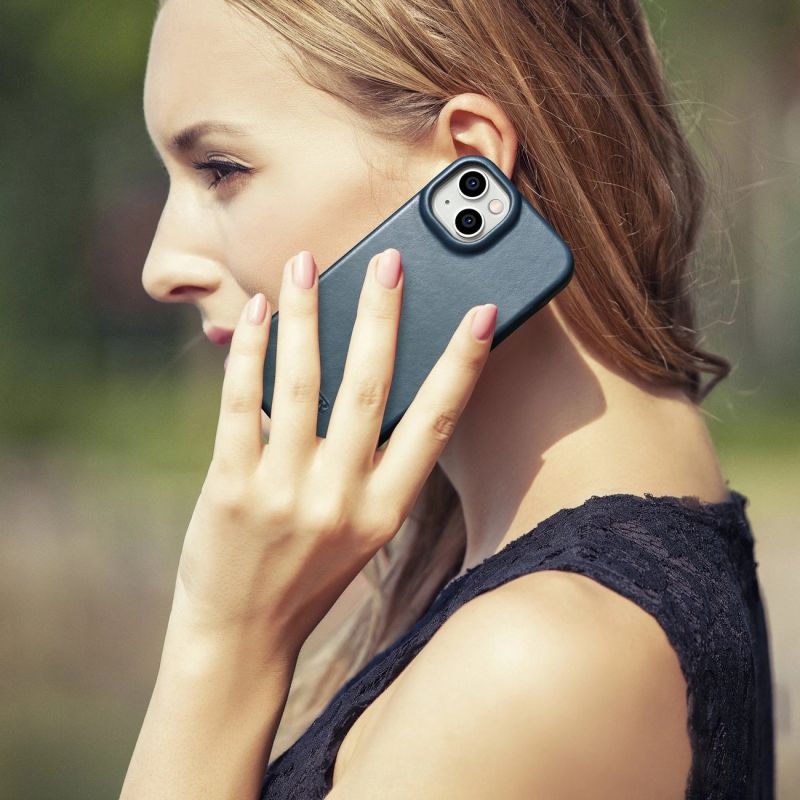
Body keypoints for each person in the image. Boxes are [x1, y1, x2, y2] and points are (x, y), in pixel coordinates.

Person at [121, 0, 775, 797]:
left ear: (468, 165)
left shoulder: (527, 662)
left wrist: (220, 643)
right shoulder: (554, 579)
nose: (161, 267)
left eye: (220, 170)